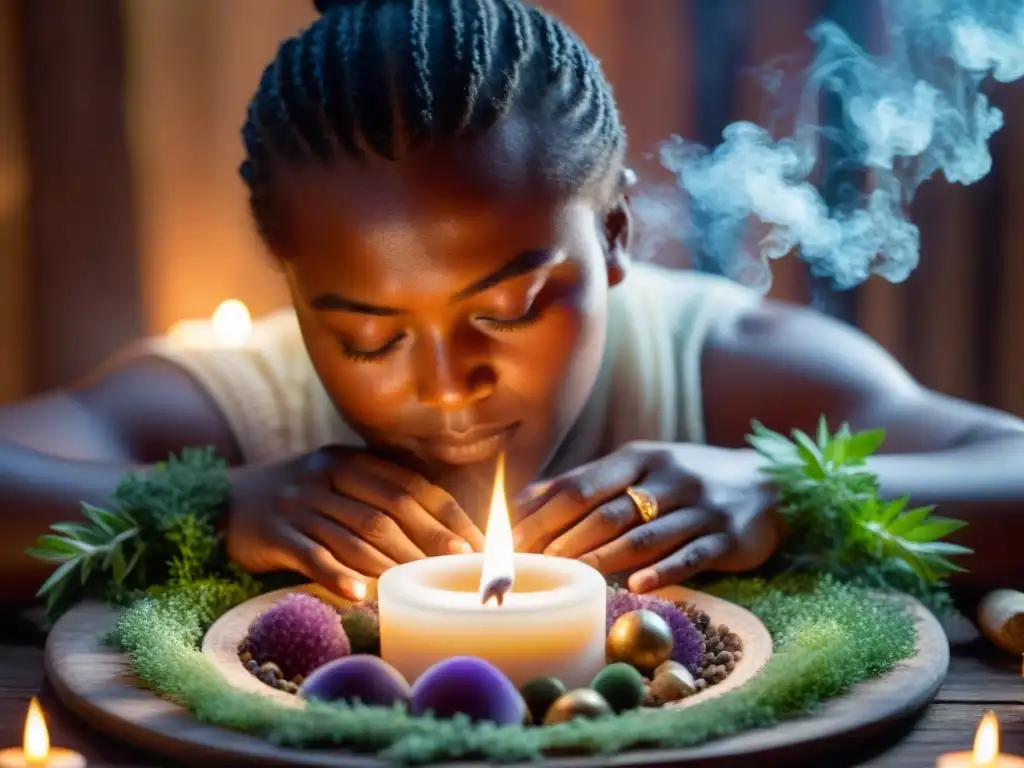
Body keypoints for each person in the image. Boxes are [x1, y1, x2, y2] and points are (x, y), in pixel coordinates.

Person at [1, 0, 1022, 605]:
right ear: (290, 285)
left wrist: (784, 493)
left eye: (512, 306)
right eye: (364, 334)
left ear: (614, 235)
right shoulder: (246, 412)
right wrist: (216, 508)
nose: (445, 385)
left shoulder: (720, 365)